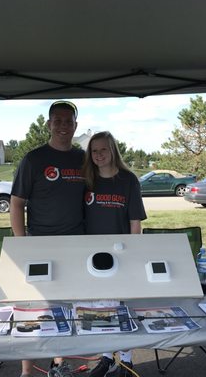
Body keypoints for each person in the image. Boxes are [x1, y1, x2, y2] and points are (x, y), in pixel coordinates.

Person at [10, 100, 85, 377]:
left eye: (69, 121)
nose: (63, 126)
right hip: (40, 242)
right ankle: (27, 370)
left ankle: (58, 362)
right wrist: (21, 245)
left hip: (76, 243)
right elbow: (16, 203)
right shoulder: (34, 159)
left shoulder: (82, 158)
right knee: (34, 307)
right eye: (58, 120)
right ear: (49, 124)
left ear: (75, 126)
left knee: (65, 306)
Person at [82, 131, 147, 377]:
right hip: (93, 254)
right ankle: (107, 357)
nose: (98, 155)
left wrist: (133, 251)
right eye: (94, 151)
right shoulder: (86, 180)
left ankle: (128, 361)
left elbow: (135, 221)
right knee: (101, 307)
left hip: (121, 253)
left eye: (103, 150)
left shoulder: (129, 180)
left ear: (113, 151)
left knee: (123, 306)